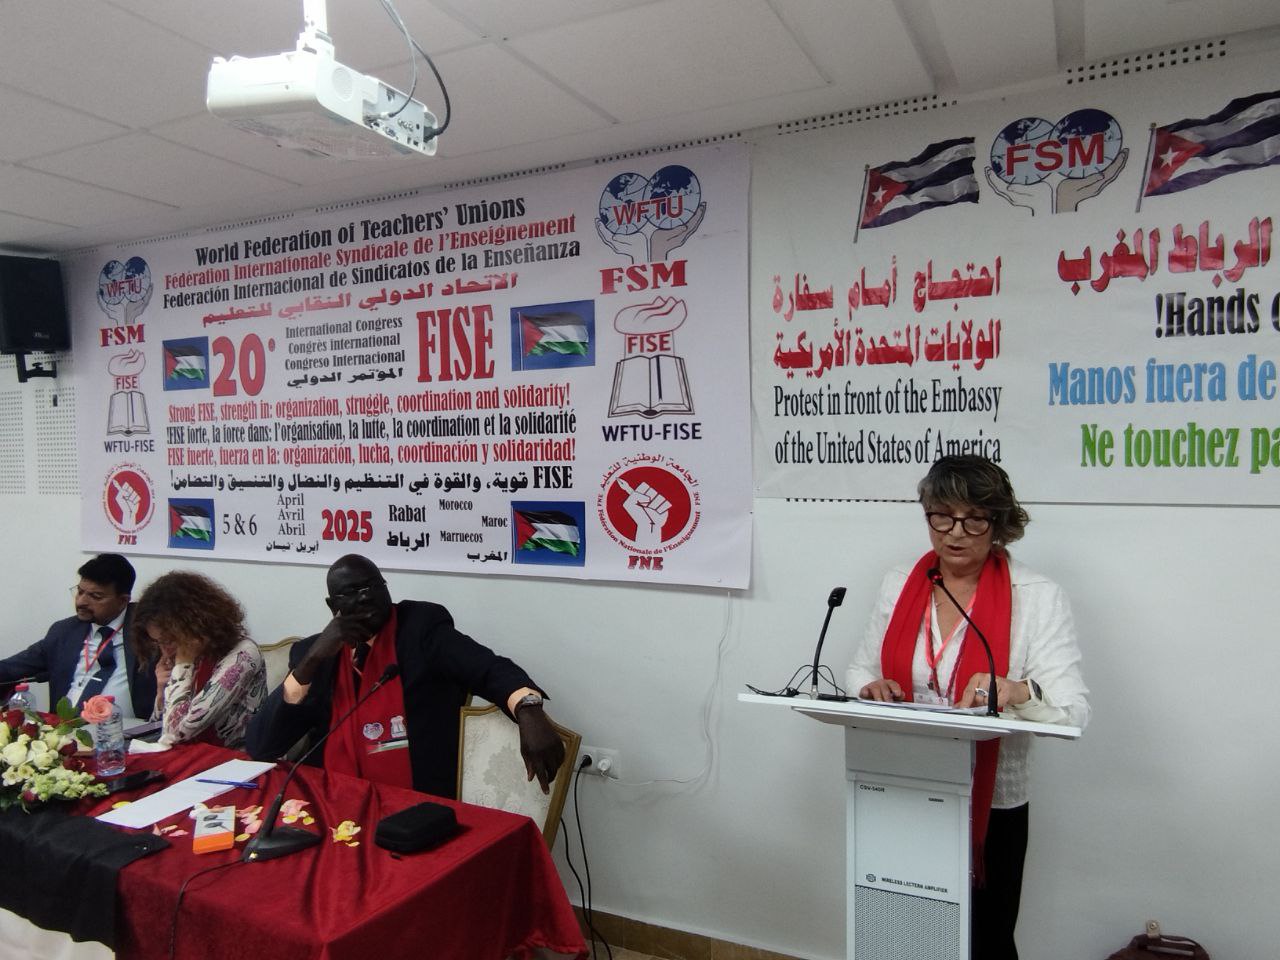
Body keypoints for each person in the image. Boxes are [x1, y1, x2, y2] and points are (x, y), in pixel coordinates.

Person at [846, 455, 1089, 960]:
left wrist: (1015, 691)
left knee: (985, 940)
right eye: (942, 516)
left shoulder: (1037, 596)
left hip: (991, 805)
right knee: (905, 933)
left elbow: (1072, 711)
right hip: (901, 785)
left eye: (974, 519)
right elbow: (859, 669)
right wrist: (870, 686)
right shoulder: (900, 582)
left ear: (998, 524)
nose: (955, 532)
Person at [247, 554, 565, 799]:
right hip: (333, 803)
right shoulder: (315, 655)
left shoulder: (422, 631)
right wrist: (310, 663)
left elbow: (488, 668)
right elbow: (262, 747)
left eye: (373, 586)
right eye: (351, 592)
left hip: (415, 807)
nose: (365, 597)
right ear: (333, 606)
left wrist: (529, 710)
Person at [0, 554, 156, 720]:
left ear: (123, 601)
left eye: (96, 596)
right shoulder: (64, 632)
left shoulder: (149, 630)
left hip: (126, 731)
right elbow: (11, 668)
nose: (81, 602)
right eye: (80, 592)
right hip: (65, 731)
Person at [132, 571, 266, 749]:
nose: (165, 650)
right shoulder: (189, 652)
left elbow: (175, 734)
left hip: (234, 758)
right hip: (192, 754)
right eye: (158, 642)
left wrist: (182, 667)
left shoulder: (242, 656)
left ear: (194, 625)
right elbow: (157, 729)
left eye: (169, 640)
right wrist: (161, 691)